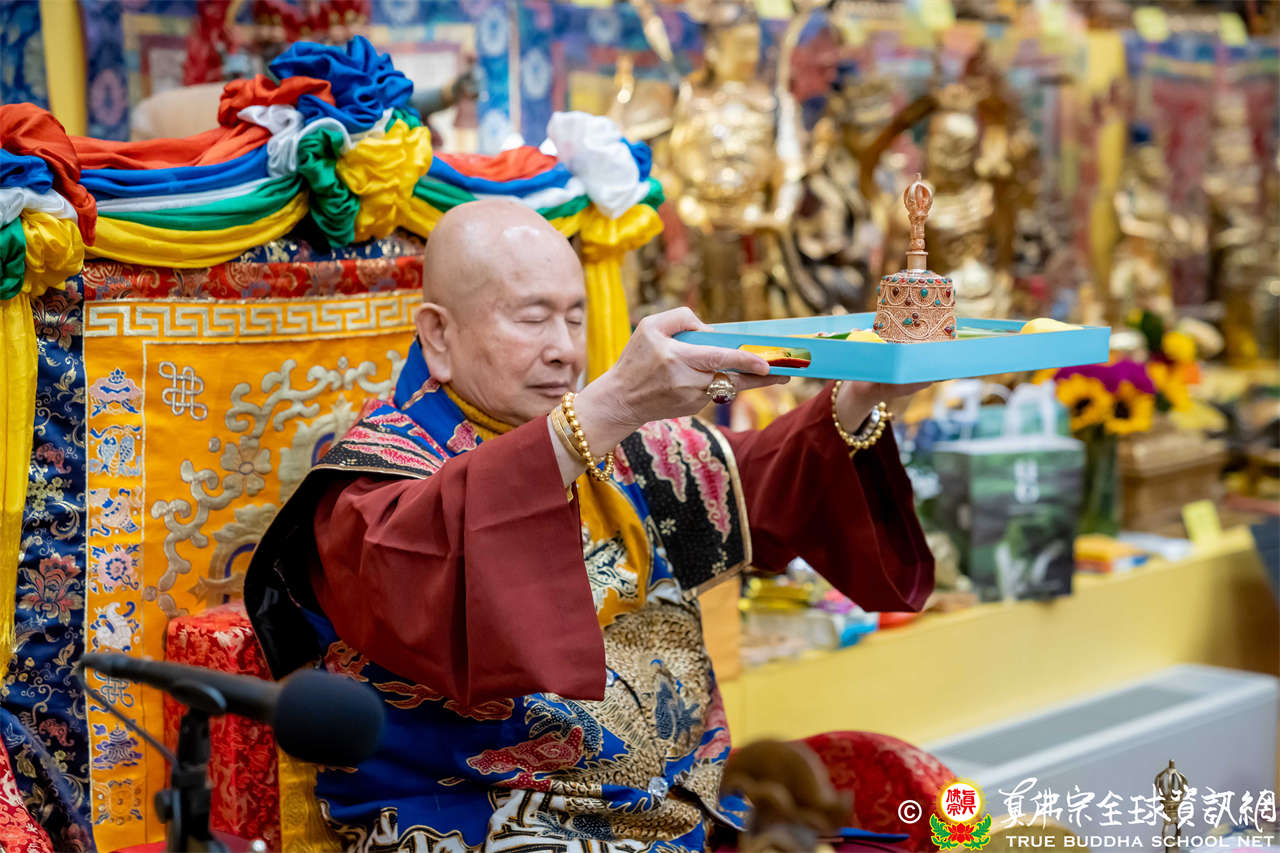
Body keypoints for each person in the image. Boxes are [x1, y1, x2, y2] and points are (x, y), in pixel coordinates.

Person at [245, 199, 934, 852]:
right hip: (488, 819)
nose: (564, 351)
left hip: (678, 811)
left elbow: (760, 480)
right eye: (532, 319)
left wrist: (859, 398)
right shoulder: (375, 477)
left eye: (576, 320)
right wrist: (605, 411)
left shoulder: (617, 444)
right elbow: (432, 561)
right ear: (438, 335)